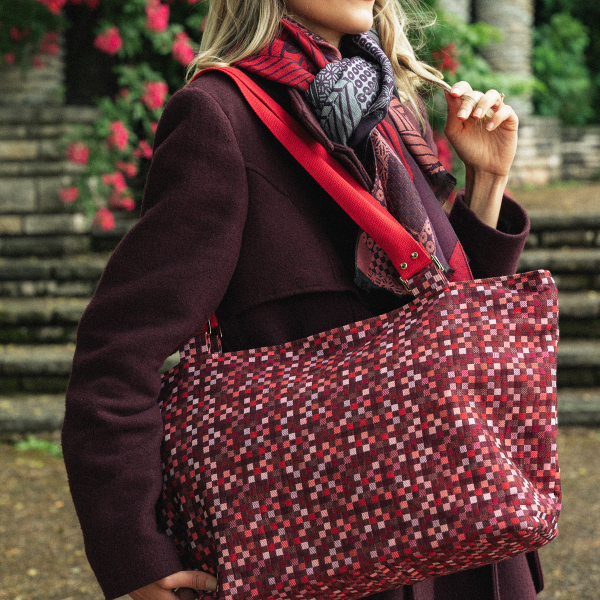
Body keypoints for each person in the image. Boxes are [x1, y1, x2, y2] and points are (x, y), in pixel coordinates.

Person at [62, 1, 543, 599]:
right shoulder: (221, 117)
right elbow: (117, 356)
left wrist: (488, 183)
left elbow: (447, 320)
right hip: (328, 547)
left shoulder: (387, 109)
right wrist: (136, 552)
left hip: (459, 525)